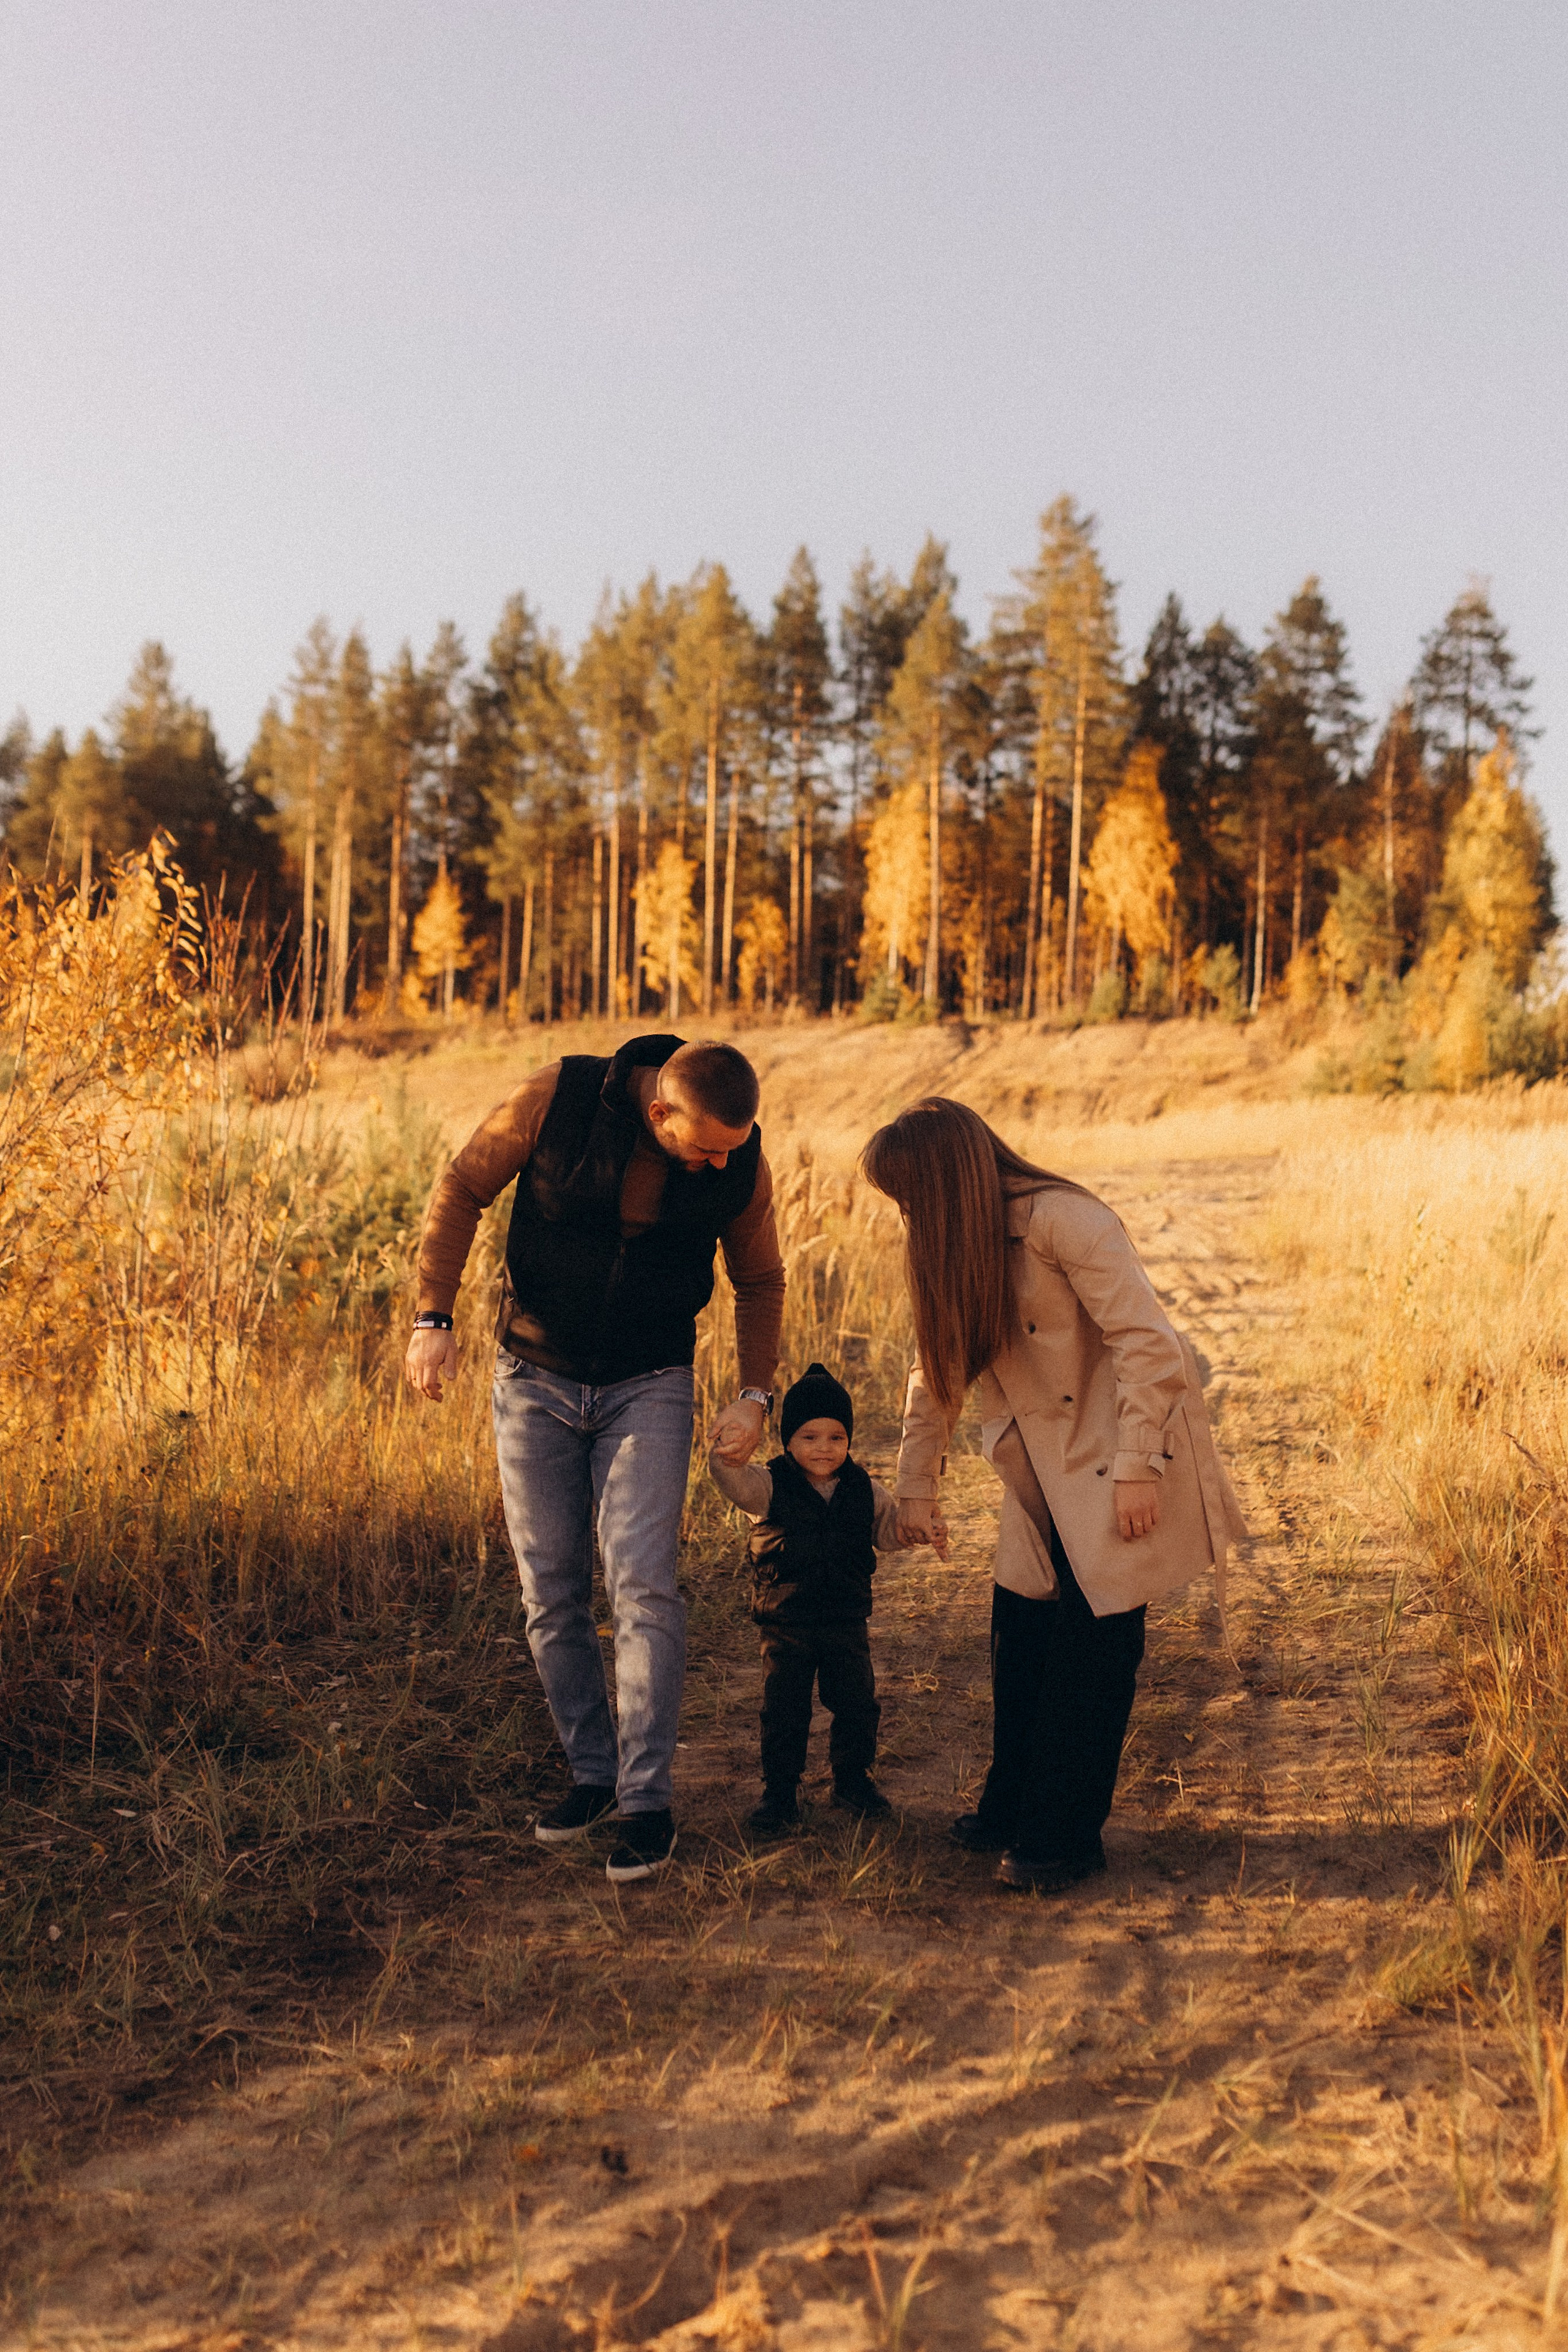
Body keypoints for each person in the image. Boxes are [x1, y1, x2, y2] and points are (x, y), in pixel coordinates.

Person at [405, 1034, 784, 1884]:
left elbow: (760, 1280)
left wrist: (756, 1394)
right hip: (533, 1380)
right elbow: (463, 1184)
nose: (718, 1165)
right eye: (706, 1149)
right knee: (551, 1590)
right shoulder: (560, 1098)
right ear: (661, 1115)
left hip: (649, 1383)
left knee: (643, 1583)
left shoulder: (738, 1157)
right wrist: (433, 1318)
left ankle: (648, 1804)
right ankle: (594, 1775)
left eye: (732, 1149)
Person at [862, 1098, 1246, 1897]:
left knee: (1092, 1654)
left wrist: (1140, 1465)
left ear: (945, 1184)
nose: (905, 1217)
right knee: (1022, 1638)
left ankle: (1062, 1836)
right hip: (1039, 1474)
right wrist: (913, 1489)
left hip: (1120, 1461)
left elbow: (1150, 1345)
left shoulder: (1064, 1221)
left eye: (908, 1200)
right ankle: (1012, 1808)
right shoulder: (959, 1245)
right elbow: (934, 1375)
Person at [709, 1360, 930, 1836]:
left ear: (848, 1440)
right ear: (787, 1441)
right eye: (809, 1438)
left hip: (845, 1619)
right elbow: (734, 1483)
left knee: (856, 1704)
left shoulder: (864, 1490)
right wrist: (723, 1454)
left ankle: (853, 1781)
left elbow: (889, 1532)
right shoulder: (769, 1486)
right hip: (785, 1624)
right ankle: (780, 1794)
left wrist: (919, 1529)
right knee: (785, 1710)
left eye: (835, 1438)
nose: (824, 1449)